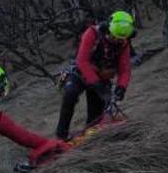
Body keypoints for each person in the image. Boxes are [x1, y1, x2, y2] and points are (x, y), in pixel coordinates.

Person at [54, 11, 135, 140]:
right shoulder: (92, 33)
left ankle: (89, 137)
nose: (116, 41)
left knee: (95, 118)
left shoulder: (123, 44)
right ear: (107, 28)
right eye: (114, 37)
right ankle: (61, 135)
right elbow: (82, 61)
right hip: (81, 73)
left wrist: (121, 87)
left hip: (103, 79)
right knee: (70, 93)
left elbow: (124, 70)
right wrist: (96, 84)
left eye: (120, 39)